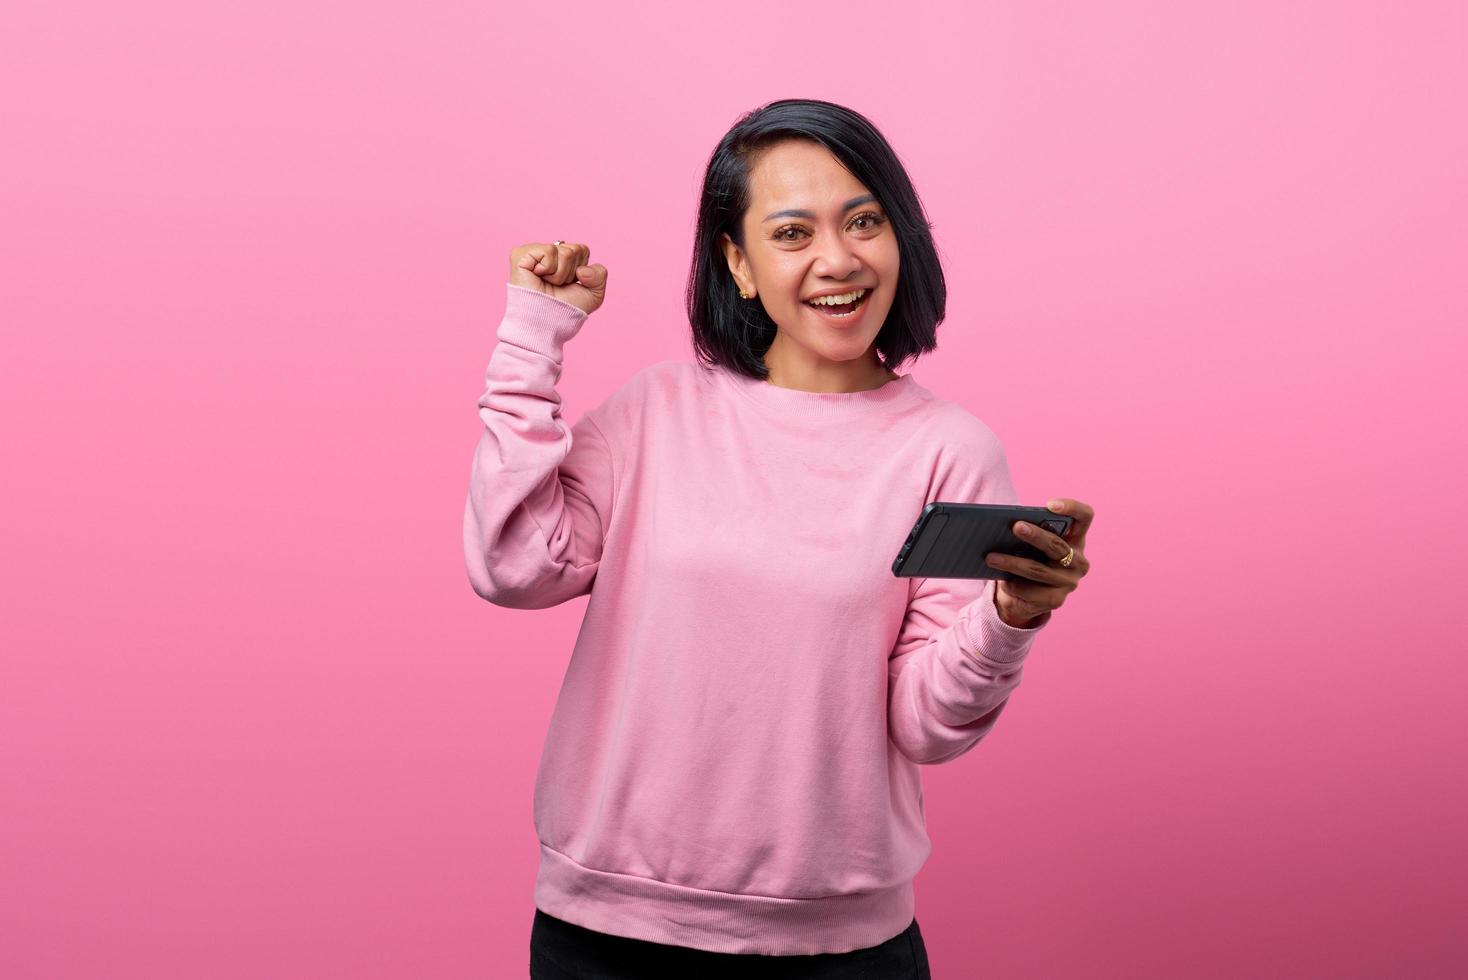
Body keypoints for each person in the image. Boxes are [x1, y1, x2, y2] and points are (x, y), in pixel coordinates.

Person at [464, 98, 1094, 979]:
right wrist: (532, 338)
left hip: (839, 951)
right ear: (740, 263)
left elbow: (926, 724)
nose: (838, 260)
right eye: (792, 233)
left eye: (865, 221)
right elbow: (512, 568)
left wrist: (1007, 619)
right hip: (605, 937)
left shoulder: (948, 450)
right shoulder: (658, 412)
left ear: (901, 236)